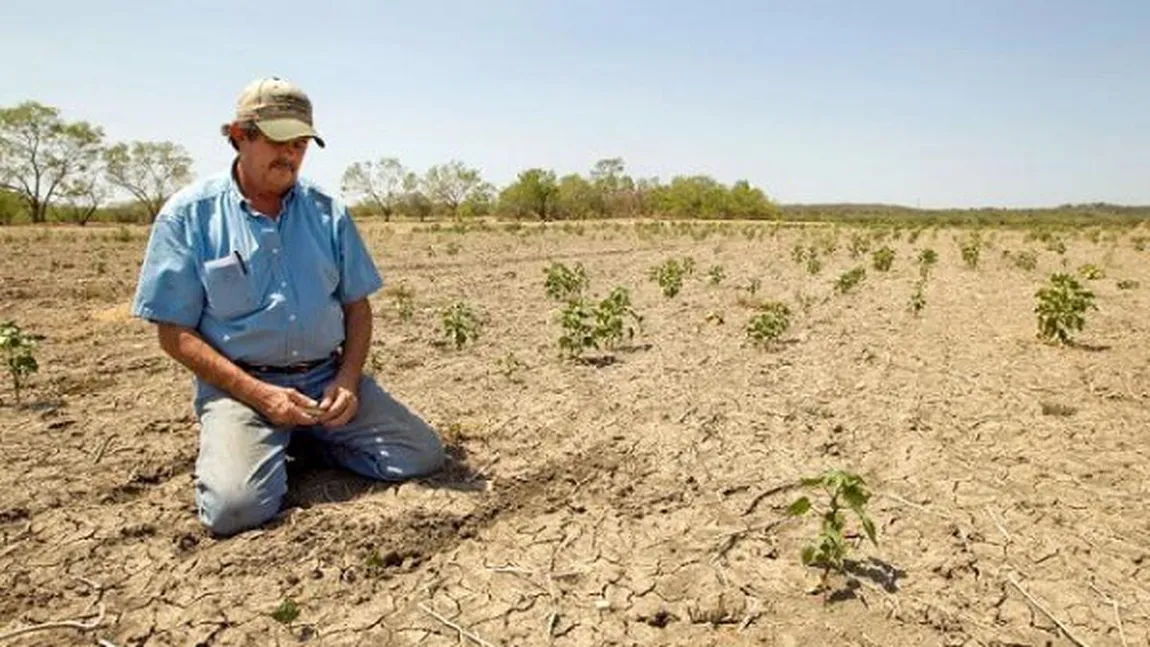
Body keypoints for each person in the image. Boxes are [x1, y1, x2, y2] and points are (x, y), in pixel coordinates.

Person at [131, 77, 445, 537]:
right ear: (240, 136)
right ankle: (258, 440)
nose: (290, 154)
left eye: (301, 143)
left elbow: (357, 308)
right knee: (234, 510)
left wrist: (347, 379)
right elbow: (173, 334)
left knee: (421, 455)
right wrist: (261, 396)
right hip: (243, 389)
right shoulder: (189, 215)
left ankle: (307, 437)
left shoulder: (327, 212)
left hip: (324, 381)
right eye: (278, 140)